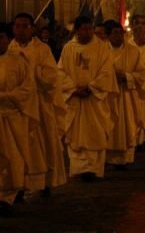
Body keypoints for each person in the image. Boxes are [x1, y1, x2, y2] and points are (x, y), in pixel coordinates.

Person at [9, 13, 66, 196]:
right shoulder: (8, 49)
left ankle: (45, 181)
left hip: (39, 103)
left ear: (32, 28)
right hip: (17, 107)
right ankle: (17, 183)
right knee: (17, 144)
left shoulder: (42, 49)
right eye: (18, 26)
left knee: (44, 142)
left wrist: (33, 72)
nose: (21, 30)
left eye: (25, 26)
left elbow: (51, 77)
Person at [58, 16, 117, 181]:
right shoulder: (68, 48)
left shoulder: (102, 48)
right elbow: (60, 72)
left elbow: (107, 71)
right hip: (75, 98)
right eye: (83, 29)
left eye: (90, 28)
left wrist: (91, 87)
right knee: (75, 133)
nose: (88, 32)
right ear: (76, 30)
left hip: (94, 99)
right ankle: (79, 168)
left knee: (96, 131)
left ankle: (94, 169)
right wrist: (73, 89)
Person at [0, 22, 38, 216]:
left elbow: (27, 88)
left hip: (13, 117)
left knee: (13, 155)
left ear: (8, 40)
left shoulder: (18, 61)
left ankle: (9, 195)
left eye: (1, 38)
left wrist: (7, 98)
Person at [104, 20, 145, 169]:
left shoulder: (133, 52)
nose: (118, 36)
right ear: (108, 35)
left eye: (120, 33)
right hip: (108, 96)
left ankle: (124, 158)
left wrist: (127, 76)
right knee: (109, 125)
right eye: (115, 33)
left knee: (127, 124)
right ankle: (107, 158)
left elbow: (141, 74)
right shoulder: (100, 52)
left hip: (127, 95)